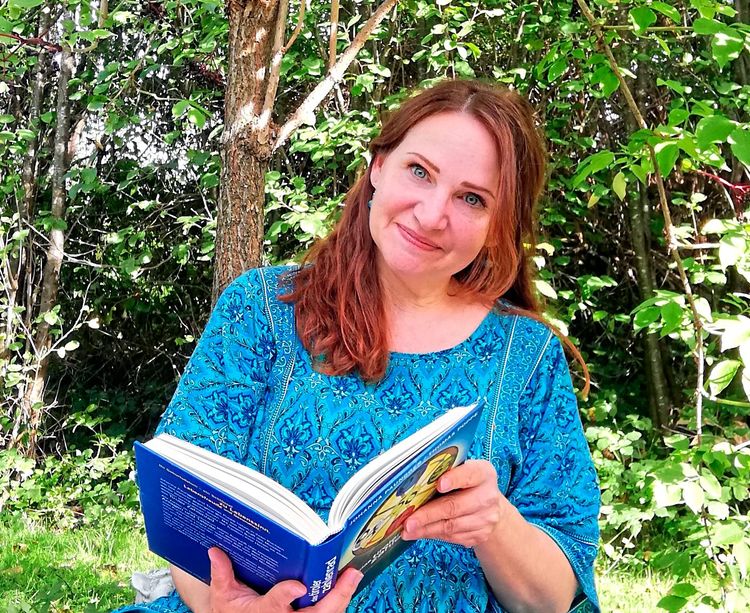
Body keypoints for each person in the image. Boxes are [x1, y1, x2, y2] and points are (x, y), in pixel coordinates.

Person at [114, 79, 600, 613]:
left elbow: (556, 599)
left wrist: (495, 524)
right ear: (378, 167)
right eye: (420, 171)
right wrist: (222, 605)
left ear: (497, 225)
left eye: (472, 198)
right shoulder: (262, 308)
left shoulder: (528, 358)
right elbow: (186, 505)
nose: (433, 213)